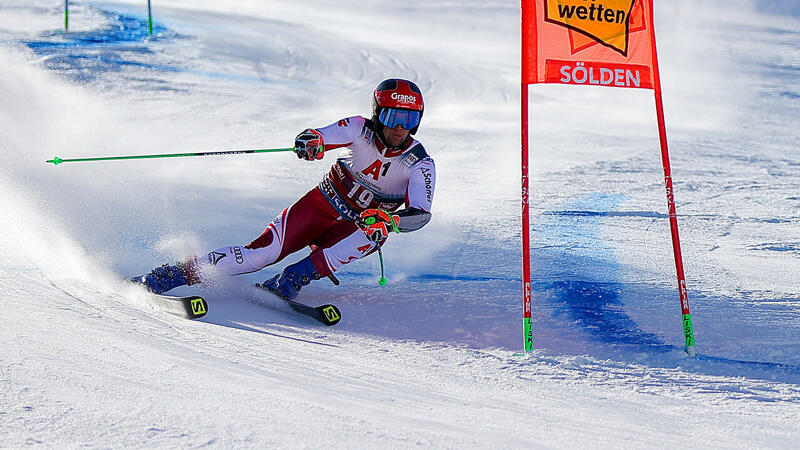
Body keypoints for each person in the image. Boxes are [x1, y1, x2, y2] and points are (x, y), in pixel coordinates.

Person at [132, 78, 436, 301]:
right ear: (377, 115)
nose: (400, 127)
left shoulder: (419, 163)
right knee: (260, 255)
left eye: (409, 119)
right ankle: (173, 274)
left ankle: (294, 277)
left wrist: (393, 220)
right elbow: (324, 134)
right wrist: (312, 141)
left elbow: (420, 214)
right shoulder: (360, 128)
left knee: (375, 231)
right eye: (392, 117)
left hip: (355, 227)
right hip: (320, 207)